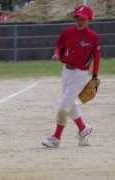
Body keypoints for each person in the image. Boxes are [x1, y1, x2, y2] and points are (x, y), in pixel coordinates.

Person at [42, 5, 101, 148]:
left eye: (83, 18)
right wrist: (56, 53)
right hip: (66, 71)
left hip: (80, 74)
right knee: (71, 103)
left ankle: (56, 138)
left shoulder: (93, 37)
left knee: (63, 106)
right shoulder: (67, 32)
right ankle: (83, 129)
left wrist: (94, 77)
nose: (79, 20)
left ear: (89, 20)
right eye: (77, 17)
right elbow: (59, 44)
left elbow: (97, 56)